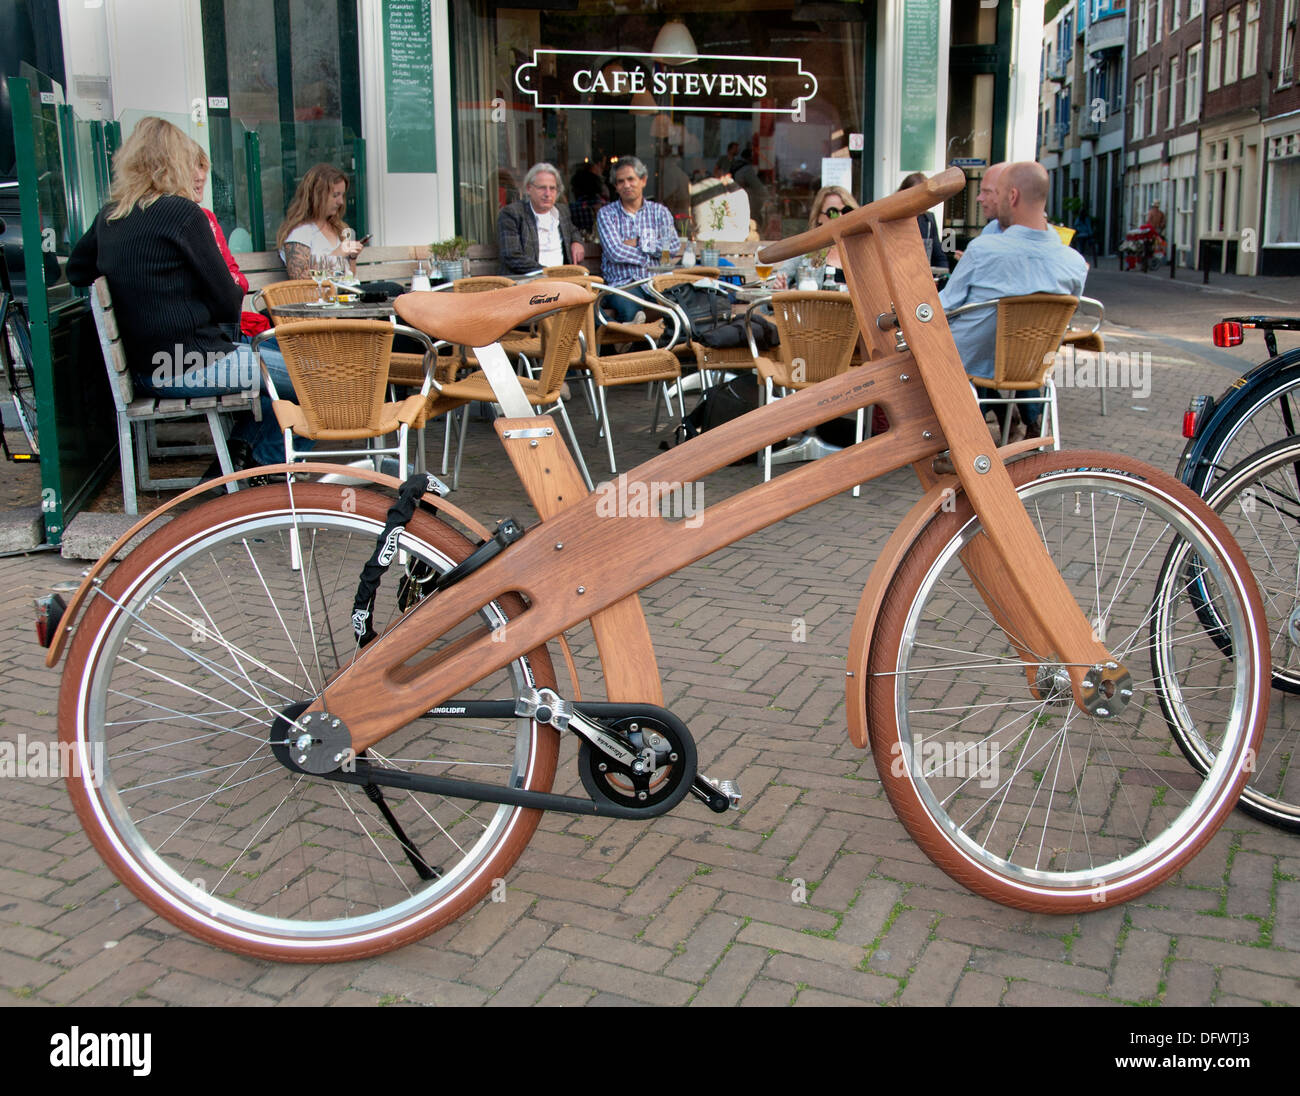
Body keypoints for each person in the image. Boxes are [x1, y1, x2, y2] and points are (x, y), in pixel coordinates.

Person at [67, 116, 297, 473]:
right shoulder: (182, 214)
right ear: (176, 162)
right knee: (318, 376)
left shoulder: (109, 216)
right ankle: (256, 463)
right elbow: (227, 299)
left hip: (147, 368)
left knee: (280, 356)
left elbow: (77, 271)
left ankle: (235, 460)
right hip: (188, 365)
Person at [939, 160, 1087, 437]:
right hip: (1030, 366)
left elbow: (943, 306)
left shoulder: (983, 249)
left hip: (963, 361)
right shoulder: (1075, 263)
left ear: (1012, 196)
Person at [597, 155, 680, 321]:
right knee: (629, 309)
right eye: (621, 181)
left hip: (656, 282)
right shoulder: (606, 214)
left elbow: (671, 249)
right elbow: (615, 252)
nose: (626, 185)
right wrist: (649, 256)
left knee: (679, 305)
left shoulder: (660, 212)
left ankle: (635, 339)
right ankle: (631, 340)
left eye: (631, 179)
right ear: (616, 187)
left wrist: (640, 242)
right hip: (623, 285)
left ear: (643, 180)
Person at [277, 163, 363, 281]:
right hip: (320, 297)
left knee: (392, 289)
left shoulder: (337, 228)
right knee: (391, 289)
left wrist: (352, 258)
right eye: (335, 195)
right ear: (317, 195)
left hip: (345, 293)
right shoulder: (300, 232)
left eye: (342, 195)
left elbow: (350, 277)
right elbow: (299, 279)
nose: (341, 202)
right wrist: (337, 254)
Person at [498, 162, 585, 275]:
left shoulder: (562, 212)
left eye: (552, 188)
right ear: (529, 188)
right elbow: (512, 256)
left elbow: (573, 230)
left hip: (562, 283)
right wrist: (548, 273)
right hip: (527, 283)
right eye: (542, 188)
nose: (548, 194)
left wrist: (577, 242)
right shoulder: (512, 214)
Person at [776, 185, 859, 286]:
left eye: (847, 211)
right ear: (819, 217)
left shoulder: (864, 250)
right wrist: (782, 291)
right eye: (832, 212)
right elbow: (778, 285)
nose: (840, 217)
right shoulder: (805, 250)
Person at [900, 172, 947, 268]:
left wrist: (943, 275)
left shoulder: (928, 220)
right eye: (916, 196)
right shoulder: (893, 220)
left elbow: (939, 257)